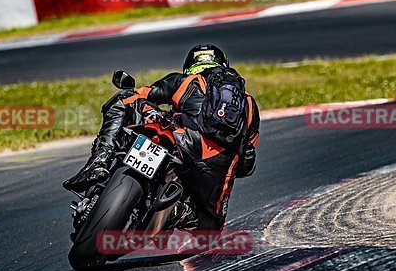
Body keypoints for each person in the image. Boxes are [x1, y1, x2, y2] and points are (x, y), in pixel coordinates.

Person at [64, 44, 259, 230]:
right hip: (217, 168)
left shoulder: (186, 81)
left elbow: (140, 94)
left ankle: (99, 161)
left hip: (181, 139)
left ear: (190, 65)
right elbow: (246, 165)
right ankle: (177, 212)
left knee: (124, 99)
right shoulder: (248, 103)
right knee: (208, 230)